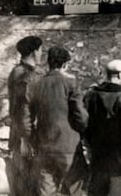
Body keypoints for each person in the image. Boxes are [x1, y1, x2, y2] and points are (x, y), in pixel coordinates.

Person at [30, 46, 89, 195]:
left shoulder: (37, 85)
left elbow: (28, 116)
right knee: (75, 188)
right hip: (68, 145)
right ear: (64, 64)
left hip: (44, 145)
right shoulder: (70, 84)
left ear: (48, 63)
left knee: (47, 189)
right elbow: (81, 116)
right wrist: (83, 131)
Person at [83, 59, 121, 196]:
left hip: (97, 153)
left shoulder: (91, 95)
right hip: (119, 157)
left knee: (97, 190)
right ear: (119, 75)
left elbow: (85, 123)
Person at [7, 36, 43, 196]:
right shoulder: (22, 75)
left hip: (27, 134)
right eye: (41, 50)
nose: (42, 53)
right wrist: (24, 139)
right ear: (35, 52)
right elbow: (22, 108)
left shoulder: (26, 72)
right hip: (25, 136)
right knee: (24, 183)